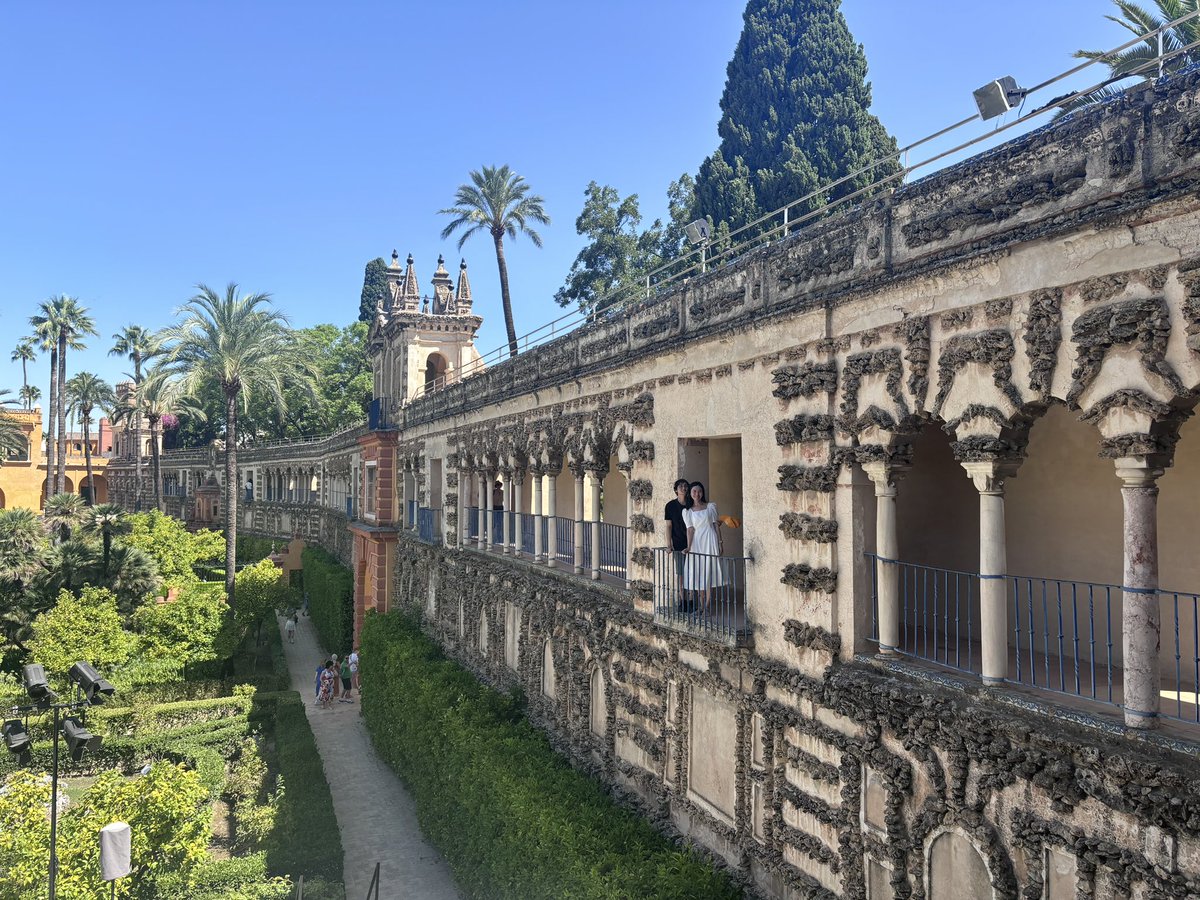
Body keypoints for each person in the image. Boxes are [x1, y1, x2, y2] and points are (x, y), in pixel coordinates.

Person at [683, 481, 725, 615]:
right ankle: (701, 607)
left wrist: (720, 543)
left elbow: (715, 525)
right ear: (690, 493)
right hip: (696, 542)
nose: (697, 494)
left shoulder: (710, 507)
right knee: (698, 573)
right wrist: (688, 547)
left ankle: (706, 607)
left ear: (703, 493)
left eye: (699, 491)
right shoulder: (687, 511)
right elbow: (690, 530)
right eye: (694, 491)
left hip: (709, 540)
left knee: (708, 572)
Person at [663, 479, 693, 611]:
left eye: (686, 486)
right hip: (678, 543)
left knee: (692, 572)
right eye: (681, 486)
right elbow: (669, 526)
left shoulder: (692, 504)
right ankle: (683, 600)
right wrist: (669, 544)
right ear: (676, 490)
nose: (684, 488)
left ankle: (691, 600)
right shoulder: (670, 506)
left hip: (693, 543)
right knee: (681, 573)